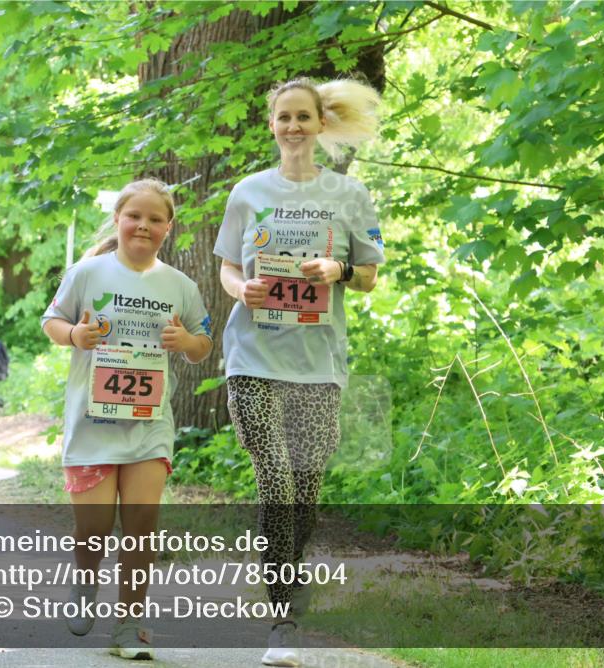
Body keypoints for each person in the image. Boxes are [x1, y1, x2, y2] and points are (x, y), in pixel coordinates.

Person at [214, 76, 385, 667]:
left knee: (305, 493)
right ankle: (283, 618)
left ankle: (284, 572)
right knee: (275, 480)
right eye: (282, 117)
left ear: (320, 124)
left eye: (303, 117)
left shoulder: (350, 195)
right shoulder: (247, 192)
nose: (292, 127)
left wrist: (336, 270)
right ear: (272, 125)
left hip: (319, 363)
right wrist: (245, 292)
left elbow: (369, 275)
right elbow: (228, 270)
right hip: (253, 357)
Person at [41, 178, 213, 660]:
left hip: (149, 425)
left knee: (142, 523)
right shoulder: (87, 273)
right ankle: (84, 585)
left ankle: (130, 622)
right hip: (92, 423)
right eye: (134, 215)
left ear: (168, 227)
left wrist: (188, 343)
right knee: (93, 527)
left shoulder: (180, 286)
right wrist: (75, 334)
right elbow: (51, 321)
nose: (144, 225)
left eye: (155, 218)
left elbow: (203, 342)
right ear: (118, 219)